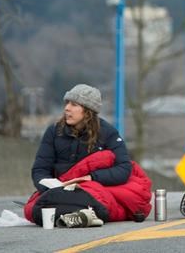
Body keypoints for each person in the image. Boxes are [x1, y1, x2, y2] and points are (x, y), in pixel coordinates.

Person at [25, 84, 152, 227]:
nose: (67, 108)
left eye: (74, 104)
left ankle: (77, 214)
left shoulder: (108, 133)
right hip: (59, 190)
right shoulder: (54, 132)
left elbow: (124, 169)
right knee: (33, 211)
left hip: (90, 189)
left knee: (99, 204)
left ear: (88, 111)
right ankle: (80, 215)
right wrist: (49, 186)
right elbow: (40, 170)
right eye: (67, 103)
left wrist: (90, 178)